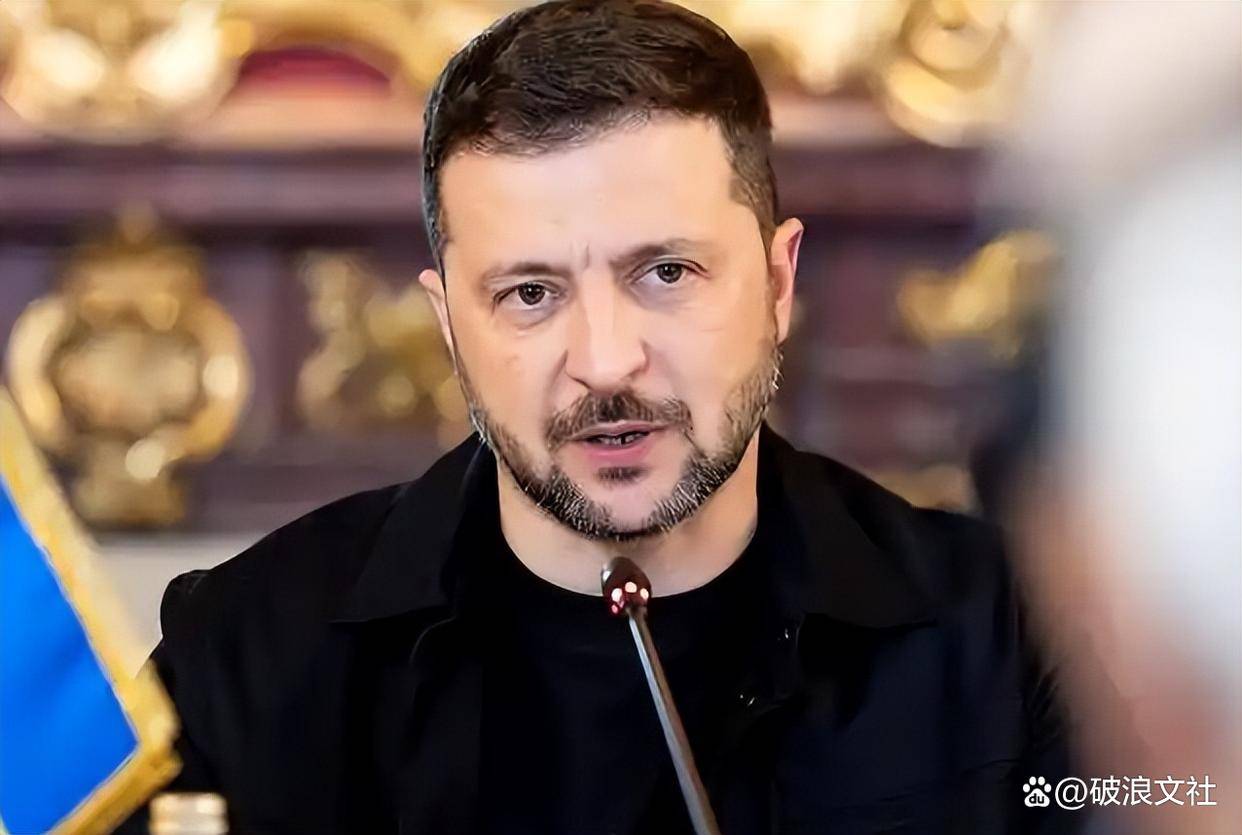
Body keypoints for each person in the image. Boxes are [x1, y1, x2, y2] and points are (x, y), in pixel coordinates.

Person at [121, 2, 1075, 832]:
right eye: (531, 293)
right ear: (449, 327)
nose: (606, 361)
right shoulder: (244, 655)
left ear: (779, 283)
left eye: (666, 272)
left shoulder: (1015, 635)